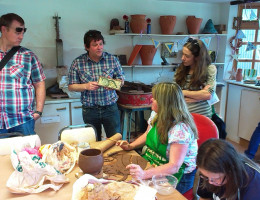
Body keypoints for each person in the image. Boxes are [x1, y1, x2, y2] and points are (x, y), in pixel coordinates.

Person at [116, 82, 198, 194]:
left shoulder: (180, 129)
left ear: (165, 104)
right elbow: (147, 134)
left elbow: (174, 166)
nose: (150, 100)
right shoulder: (156, 114)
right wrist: (130, 146)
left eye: (154, 98)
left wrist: (144, 174)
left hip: (179, 175)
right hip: (156, 161)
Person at [68, 30, 125, 141]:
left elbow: (121, 80)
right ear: (86, 47)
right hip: (90, 110)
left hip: (110, 108)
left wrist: (113, 84)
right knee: (93, 142)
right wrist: (86, 86)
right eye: (95, 45)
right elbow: (71, 86)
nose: (99, 47)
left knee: (115, 141)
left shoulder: (112, 59)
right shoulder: (78, 62)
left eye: (101, 44)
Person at [0, 13, 46, 136]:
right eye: (17, 31)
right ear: (4, 29)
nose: (21, 36)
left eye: (23, 32)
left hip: (22, 121)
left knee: (29, 154)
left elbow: (39, 83)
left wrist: (39, 111)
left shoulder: (28, 56)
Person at [173, 38, 217, 118]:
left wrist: (184, 92)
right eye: (182, 54)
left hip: (202, 116)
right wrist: (199, 97)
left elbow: (208, 94)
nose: (182, 58)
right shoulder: (180, 70)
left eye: (187, 56)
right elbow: (174, 93)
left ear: (197, 57)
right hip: (182, 116)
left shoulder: (210, 69)